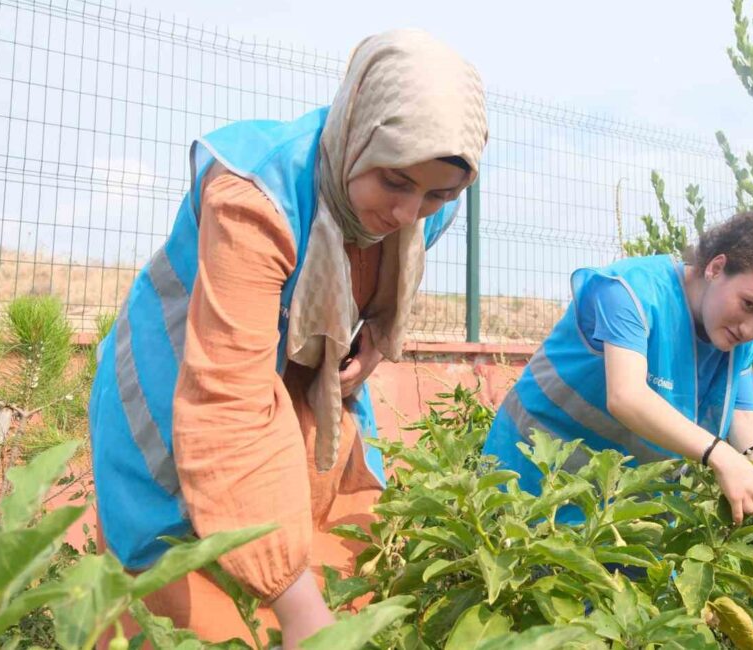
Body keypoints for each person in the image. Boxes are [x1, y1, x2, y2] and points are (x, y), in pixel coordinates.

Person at [89, 29, 487, 648]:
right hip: (186, 389)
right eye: (397, 183)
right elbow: (228, 406)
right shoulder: (253, 199)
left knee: (341, 550)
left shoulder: (423, 205)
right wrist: (301, 613)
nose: (411, 214)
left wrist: (378, 337)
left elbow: (388, 277)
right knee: (187, 598)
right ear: (358, 135)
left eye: (438, 194)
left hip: (297, 391)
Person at [483, 201, 753, 561]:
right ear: (717, 267)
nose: (751, 329)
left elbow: (744, 420)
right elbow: (626, 396)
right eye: (749, 304)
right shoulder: (631, 292)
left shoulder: (735, 342)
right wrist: (724, 458)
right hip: (532, 484)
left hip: (624, 512)